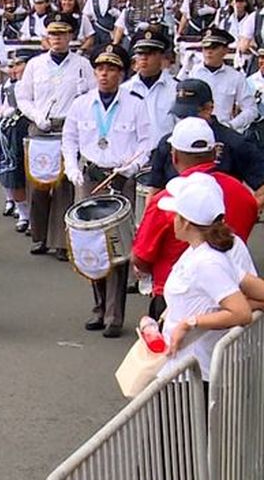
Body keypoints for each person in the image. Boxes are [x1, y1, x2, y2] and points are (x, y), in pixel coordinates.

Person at [61, 44, 152, 337]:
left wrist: (132, 166)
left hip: (119, 176)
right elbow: (70, 138)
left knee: (116, 245)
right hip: (90, 175)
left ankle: (115, 315)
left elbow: (146, 142)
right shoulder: (81, 103)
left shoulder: (135, 103)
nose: (104, 74)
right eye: (100, 68)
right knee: (90, 244)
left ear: (121, 73)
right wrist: (71, 168)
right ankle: (98, 307)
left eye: (111, 69)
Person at [133, 117, 257, 320]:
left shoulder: (166, 199)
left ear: (174, 156)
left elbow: (142, 256)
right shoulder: (241, 193)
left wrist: (191, 323)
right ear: (215, 152)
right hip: (234, 296)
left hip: (176, 298)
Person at [154, 173, 253, 381]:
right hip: (182, 369)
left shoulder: (208, 261)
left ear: (187, 223)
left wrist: (190, 322)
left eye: (176, 215)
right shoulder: (201, 252)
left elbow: (241, 312)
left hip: (193, 373)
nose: (172, 220)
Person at [17, 12, 95, 258]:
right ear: (46, 36)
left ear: (70, 36)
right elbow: (23, 97)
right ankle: (39, 235)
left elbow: (91, 96)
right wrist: (36, 115)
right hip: (41, 126)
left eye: (62, 34)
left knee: (65, 185)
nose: (57, 39)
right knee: (39, 183)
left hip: (69, 127)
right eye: (52, 34)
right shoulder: (35, 64)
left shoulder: (82, 65)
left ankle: (61, 241)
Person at [145, 78, 264, 205]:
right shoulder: (168, 143)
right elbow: (154, 191)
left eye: (191, 114)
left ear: (209, 108)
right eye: (181, 115)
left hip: (220, 218)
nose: (186, 120)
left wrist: (244, 215)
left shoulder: (234, 143)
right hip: (176, 218)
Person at [181, 28, 256, 133]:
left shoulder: (235, 77)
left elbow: (251, 109)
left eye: (214, 47)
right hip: (195, 130)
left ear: (225, 50)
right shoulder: (192, 73)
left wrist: (231, 125)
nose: (209, 52)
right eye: (205, 48)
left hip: (223, 131)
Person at [0, 50, 33, 232]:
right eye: (11, 65)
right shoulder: (6, 86)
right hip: (11, 132)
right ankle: (23, 212)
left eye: (19, 64)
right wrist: (2, 114)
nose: (14, 69)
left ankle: (35, 215)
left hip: (31, 127)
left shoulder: (35, 84)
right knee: (12, 170)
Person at [123, 24, 178, 144]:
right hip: (133, 155)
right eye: (140, 54)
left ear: (161, 56)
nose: (144, 58)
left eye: (150, 54)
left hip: (165, 154)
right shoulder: (124, 90)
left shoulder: (176, 89)